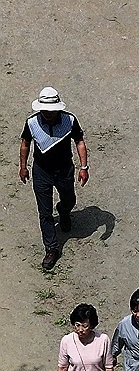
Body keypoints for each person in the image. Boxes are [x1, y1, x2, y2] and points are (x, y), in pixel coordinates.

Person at [18, 86, 89, 270]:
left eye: (50, 111)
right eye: (44, 110)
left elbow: (79, 142)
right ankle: (51, 248)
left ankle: (64, 211)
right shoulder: (32, 123)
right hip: (41, 172)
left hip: (64, 170)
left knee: (69, 199)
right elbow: (25, 143)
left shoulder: (70, 121)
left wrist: (84, 167)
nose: (47, 114)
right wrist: (23, 166)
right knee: (45, 212)